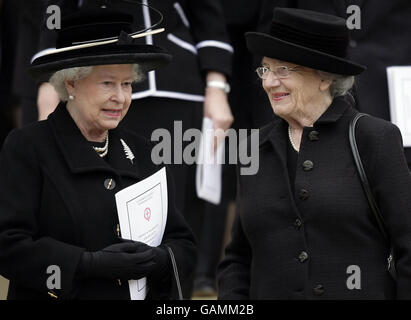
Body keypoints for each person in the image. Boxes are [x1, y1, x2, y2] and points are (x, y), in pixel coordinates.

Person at [0, 7, 196, 300]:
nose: (121, 97)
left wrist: (160, 260)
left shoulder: (145, 152)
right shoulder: (28, 147)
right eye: (108, 83)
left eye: (127, 84)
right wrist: (87, 264)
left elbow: (184, 243)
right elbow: (8, 246)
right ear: (71, 82)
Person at [217, 8, 411, 299]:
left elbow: (408, 244)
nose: (269, 82)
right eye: (265, 69)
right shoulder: (251, 148)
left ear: (324, 78)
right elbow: (238, 259)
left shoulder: (374, 138)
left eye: (283, 70)